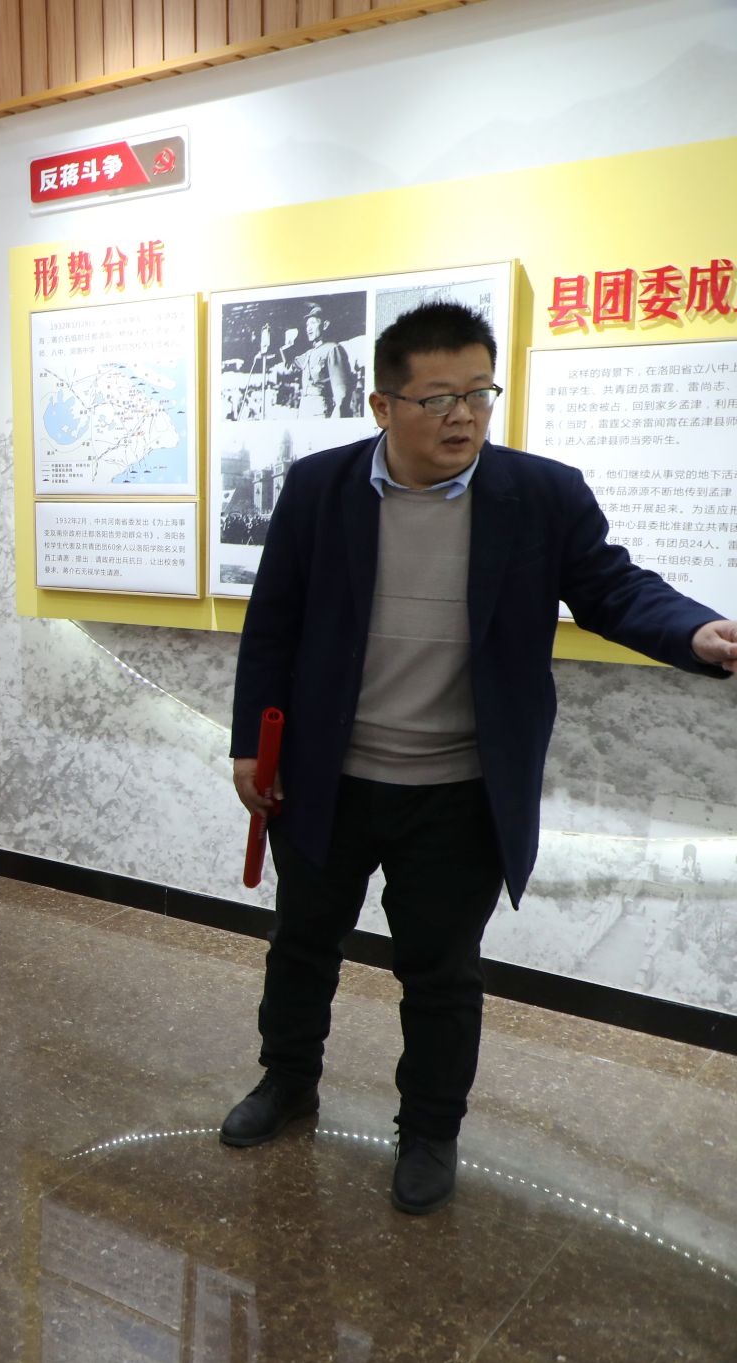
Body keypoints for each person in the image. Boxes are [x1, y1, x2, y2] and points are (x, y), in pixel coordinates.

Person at [227, 302, 737, 1215]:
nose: (463, 415)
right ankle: (287, 1080)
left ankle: (429, 1130)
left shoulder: (540, 495)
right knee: (302, 945)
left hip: (460, 790)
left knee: (441, 971)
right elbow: (273, 624)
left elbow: (614, 589)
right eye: (438, 398)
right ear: (383, 405)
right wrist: (247, 748)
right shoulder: (319, 487)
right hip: (328, 778)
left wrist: (695, 632)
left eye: (478, 392)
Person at [292, 303, 356, 419]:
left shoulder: (332, 349)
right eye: (307, 325)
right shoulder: (309, 353)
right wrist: (288, 344)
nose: (308, 328)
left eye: (313, 323)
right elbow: (290, 364)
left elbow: (341, 389)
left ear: (325, 325)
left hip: (321, 411)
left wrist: (337, 414)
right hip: (304, 410)